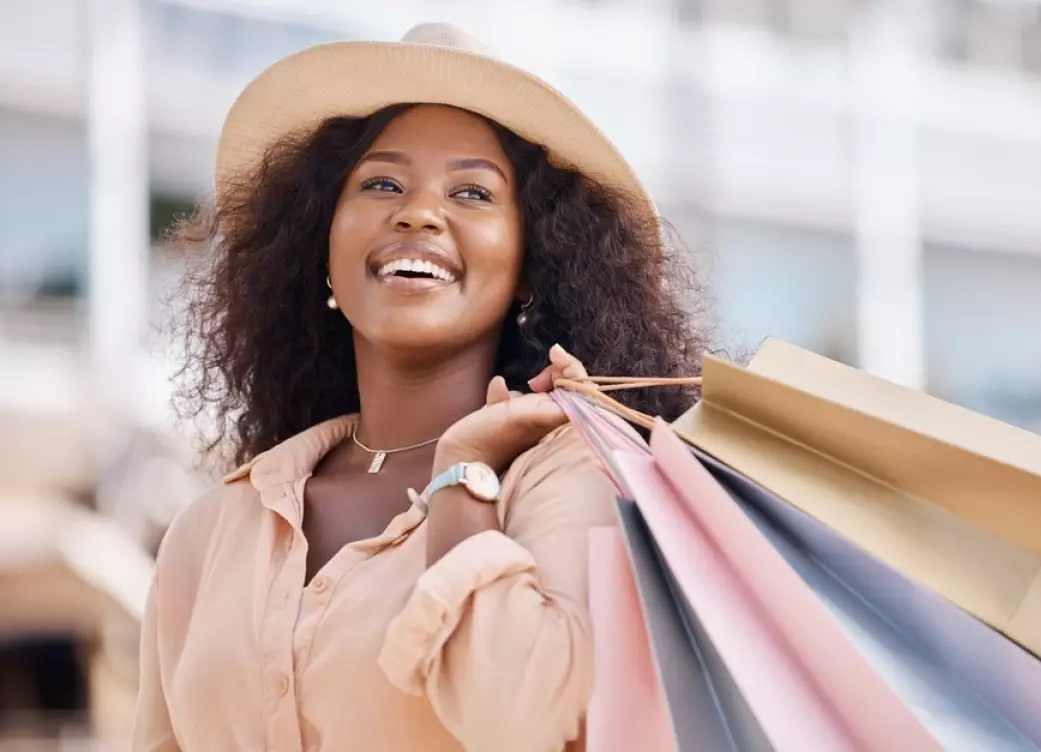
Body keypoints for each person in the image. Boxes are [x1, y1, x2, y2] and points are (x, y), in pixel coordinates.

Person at [132, 21, 706, 752]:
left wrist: (464, 478)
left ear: (533, 263)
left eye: (472, 192)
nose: (419, 212)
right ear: (321, 242)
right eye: (381, 183)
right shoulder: (212, 531)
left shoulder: (574, 477)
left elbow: (525, 721)